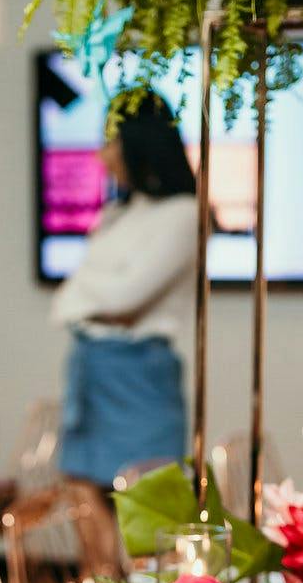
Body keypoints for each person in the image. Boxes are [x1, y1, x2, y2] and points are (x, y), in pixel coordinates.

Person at [52, 92, 198, 485]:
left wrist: (81, 297)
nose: (102, 157)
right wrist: (88, 296)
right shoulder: (118, 212)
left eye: (109, 143)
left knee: (146, 504)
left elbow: (125, 298)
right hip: (90, 366)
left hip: (138, 376)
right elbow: (86, 291)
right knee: (81, 493)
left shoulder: (185, 214)